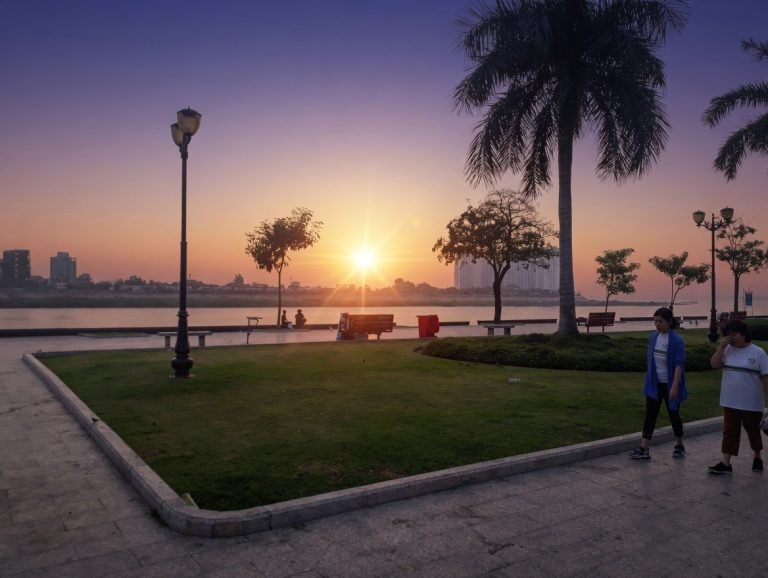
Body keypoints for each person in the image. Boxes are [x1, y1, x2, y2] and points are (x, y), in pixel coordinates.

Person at [708, 319, 768, 474]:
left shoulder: (758, 353)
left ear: (743, 334)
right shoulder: (727, 350)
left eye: (734, 334)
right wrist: (721, 347)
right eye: (728, 335)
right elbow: (714, 364)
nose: (731, 338)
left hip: (751, 402)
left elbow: (765, 378)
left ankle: (757, 456)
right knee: (729, 432)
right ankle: (725, 463)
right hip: (730, 400)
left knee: (753, 431)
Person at [629, 307, 687, 460]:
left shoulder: (676, 341)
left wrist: (674, 386)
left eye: (660, 321)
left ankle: (680, 444)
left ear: (669, 322)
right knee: (650, 415)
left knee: (674, 414)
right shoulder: (653, 337)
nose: (657, 324)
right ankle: (644, 447)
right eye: (655, 321)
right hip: (655, 384)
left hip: (670, 385)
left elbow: (679, 364)